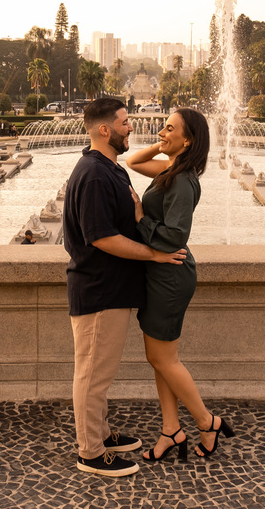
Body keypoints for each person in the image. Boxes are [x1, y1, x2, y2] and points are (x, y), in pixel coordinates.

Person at [62, 97, 187, 478]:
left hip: (111, 288)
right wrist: (153, 254)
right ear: (105, 130)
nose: (131, 126)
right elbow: (102, 238)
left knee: (100, 371)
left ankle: (99, 433)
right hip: (100, 290)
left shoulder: (108, 167)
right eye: (124, 122)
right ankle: (91, 453)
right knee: (92, 373)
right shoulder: (96, 174)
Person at [127, 108, 235, 463]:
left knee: (162, 357)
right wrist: (164, 143)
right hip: (159, 274)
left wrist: (141, 217)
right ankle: (171, 431)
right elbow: (133, 161)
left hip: (170, 275)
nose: (161, 130)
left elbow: (175, 236)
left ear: (188, 140)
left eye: (170, 127)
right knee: (160, 359)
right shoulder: (171, 170)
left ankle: (207, 421)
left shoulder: (184, 181)